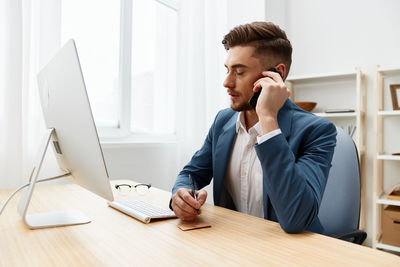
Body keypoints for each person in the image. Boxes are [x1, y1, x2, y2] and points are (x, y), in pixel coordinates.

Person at [170, 21, 337, 234]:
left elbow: (296, 219)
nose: (227, 82)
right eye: (227, 70)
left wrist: (267, 118)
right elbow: (192, 173)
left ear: (276, 74)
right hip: (235, 244)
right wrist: (181, 194)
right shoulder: (223, 121)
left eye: (239, 72)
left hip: (291, 252)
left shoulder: (317, 131)